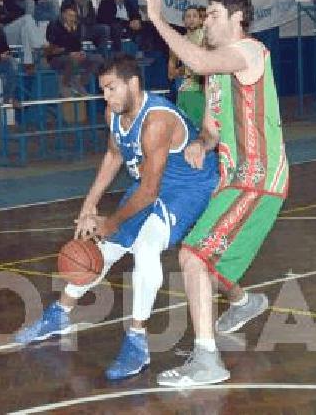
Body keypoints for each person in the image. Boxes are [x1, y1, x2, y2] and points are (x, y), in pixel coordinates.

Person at [13, 54, 219, 381]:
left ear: (133, 84)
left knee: (146, 247)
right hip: (152, 182)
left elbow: (150, 191)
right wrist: (88, 207)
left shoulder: (157, 121)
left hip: (188, 186)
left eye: (111, 88)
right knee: (103, 249)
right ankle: (59, 314)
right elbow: (113, 156)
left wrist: (109, 222)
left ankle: (137, 341)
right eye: (103, 90)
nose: (105, 96)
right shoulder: (114, 113)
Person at [138, 0, 289, 387]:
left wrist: (156, 19)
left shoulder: (250, 52)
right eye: (205, 14)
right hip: (231, 177)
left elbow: (200, 61)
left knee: (193, 257)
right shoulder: (219, 77)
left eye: (214, 14)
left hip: (258, 177)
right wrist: (203, 145)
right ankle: (243, 301)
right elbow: (211, 127)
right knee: (206, 251)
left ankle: (207, 360)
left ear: (238, 19)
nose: (207, 20)